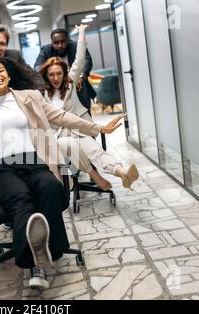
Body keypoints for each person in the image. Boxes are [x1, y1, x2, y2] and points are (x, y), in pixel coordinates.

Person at [0, 13, 124, 289]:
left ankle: (44, 248)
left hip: (37, 163)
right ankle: (35, 266)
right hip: (4, 169)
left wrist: (98, 129)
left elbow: (63, 118)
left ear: (8, 74)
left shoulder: (31, 97)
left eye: (0, 71)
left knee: (51, 189)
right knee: (21, 200)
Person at [39, 24, 139, 191]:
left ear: (64, 74)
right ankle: (93, 176)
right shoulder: (42, 93)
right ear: (46, 76)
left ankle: (122, 173)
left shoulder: (70, 83)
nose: (56, 78)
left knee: (95, 150)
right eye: (51, 74)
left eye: (59, 73)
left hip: (79, 130)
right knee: (68, 146)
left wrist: (82, 32)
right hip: (58, 136)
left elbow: (79, 59)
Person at [34, 28, 97, 114]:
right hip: (55, 86)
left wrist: (81, 77)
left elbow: (86, 61)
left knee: (83, 110)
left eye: (63, 42)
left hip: (77, 82)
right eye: (56, 43)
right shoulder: (46, 49)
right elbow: (37, 67)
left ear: (68, 40)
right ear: (52, 42)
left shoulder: (75, 46)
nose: (60, 45)